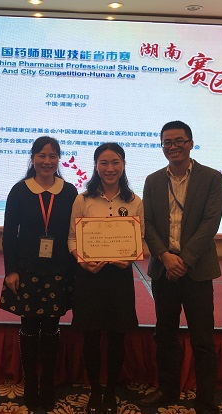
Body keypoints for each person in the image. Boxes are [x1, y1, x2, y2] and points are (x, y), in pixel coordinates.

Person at [140, 120, 222, 414]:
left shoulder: (211, 178)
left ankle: (205, 399)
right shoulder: (152, 180)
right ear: (162, 146)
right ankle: (168, 390)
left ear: (190, 143)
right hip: (164, 269)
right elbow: (147, 223)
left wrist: (184, 259)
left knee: (202, 338)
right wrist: (165, 256)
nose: (173, 146)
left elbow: (210, 223)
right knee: (165, 334)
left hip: (196, 269)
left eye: (179, 141)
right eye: (167, 142)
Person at [0, 136, 78, 411]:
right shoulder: (19, 190)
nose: (47, 161)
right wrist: (10, 271)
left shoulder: (69, 191)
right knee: (30, 327)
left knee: (52, 328)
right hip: (27, 270)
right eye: (41, 155)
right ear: (32, 158)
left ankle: (48, 383)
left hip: (59, 270)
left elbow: (75, 231)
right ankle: (31, 383)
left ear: (59, 159)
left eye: (52, 156)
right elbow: (9, 234)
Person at [67, 142, 144, 414]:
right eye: (104, 163)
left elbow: (140, 239)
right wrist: (81, 259)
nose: (110, 168)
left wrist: (130, 257)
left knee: (117, 337)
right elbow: (72, 238)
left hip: (119, 278)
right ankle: (95, 392)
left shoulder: (134, 201)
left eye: (115, 162)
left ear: (123, 165)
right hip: (89, 277)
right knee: (90, 337)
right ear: (96, 166)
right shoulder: (83, 200)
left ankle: (110, 390)